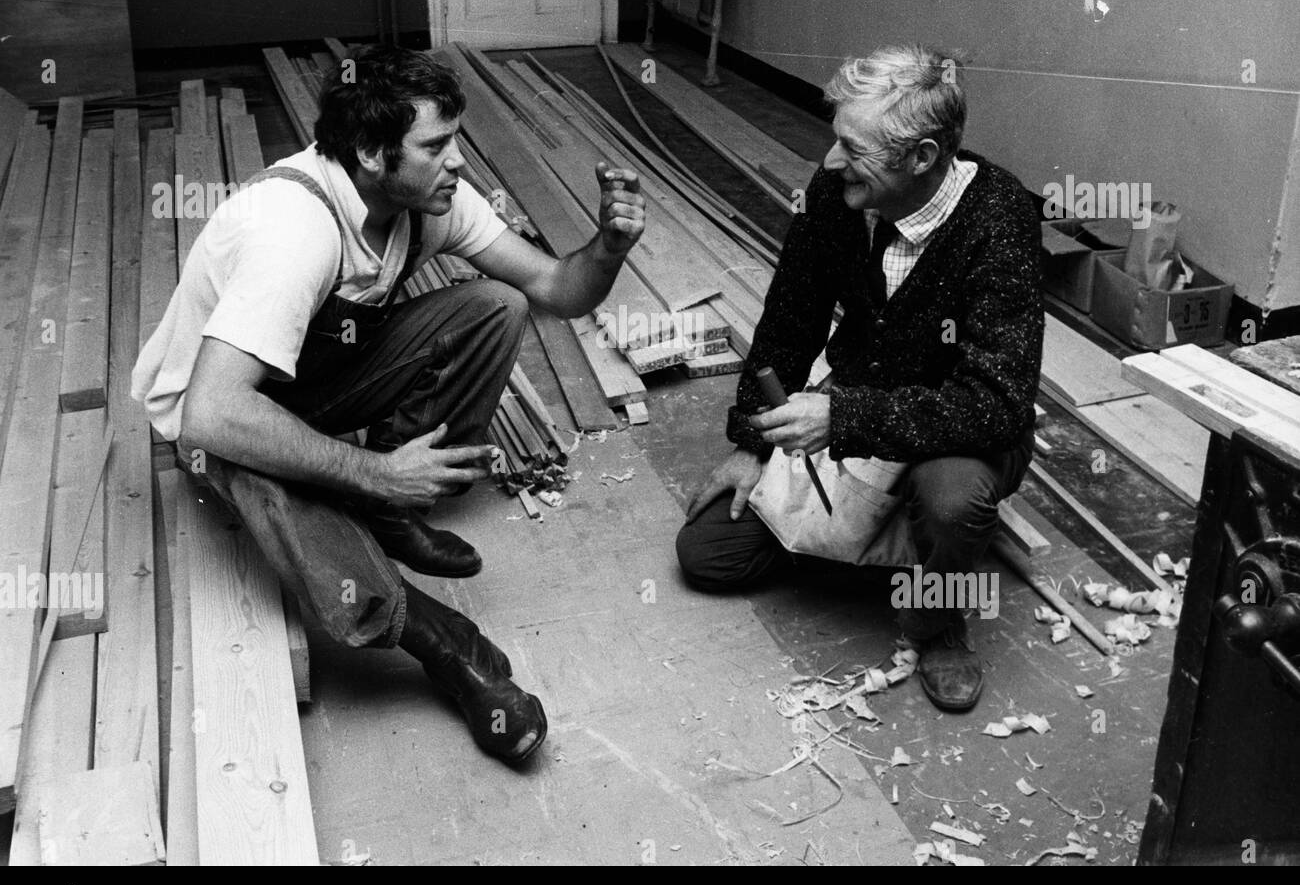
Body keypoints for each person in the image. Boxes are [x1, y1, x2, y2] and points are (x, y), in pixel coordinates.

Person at [133, 45, 645, 763]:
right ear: (373, 153)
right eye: (435, 146)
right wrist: (373, 469)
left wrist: (610, 248)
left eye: (454, 140)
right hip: (214, 414)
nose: (458, 162)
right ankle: (441, 640)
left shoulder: (426, 198)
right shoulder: (294, 231)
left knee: (496, 306)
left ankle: (390, 511)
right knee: (265, 475)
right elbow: (214, 412)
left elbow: (558, 290)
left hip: (307, 384)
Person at [675, 44, 1043, 712]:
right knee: (708, 555)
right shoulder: (838, 192)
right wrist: (749, 442)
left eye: (853, 147)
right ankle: (894, 546)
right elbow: (793, 313)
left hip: (955, 429)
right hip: (864, 409)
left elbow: (998, 402)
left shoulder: (1002, 220)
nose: (830, 161)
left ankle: (937, 619)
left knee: (955, 501)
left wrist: (841, 421)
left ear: (923, 157)